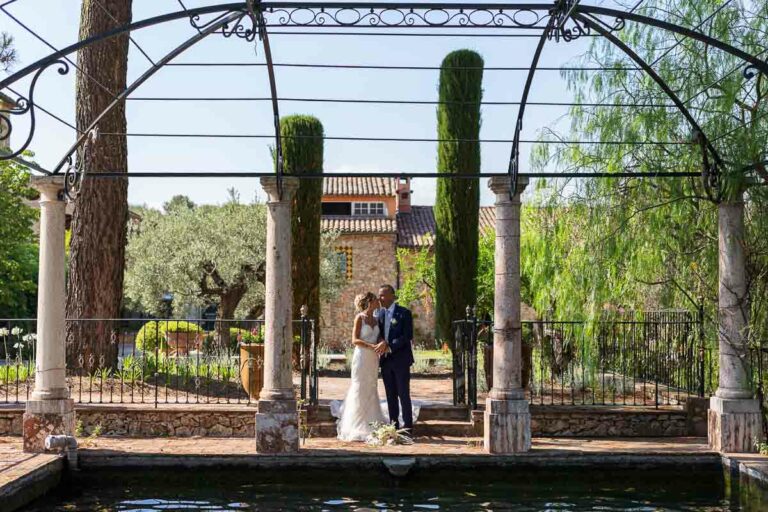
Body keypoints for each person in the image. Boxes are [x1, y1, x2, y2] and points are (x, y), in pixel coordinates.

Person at [336, 292, 387, 441]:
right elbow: (354, 340)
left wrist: (382, 341)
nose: (378, 302)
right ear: (369, 302)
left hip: (373, 358)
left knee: (371, 386)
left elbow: (379, 336)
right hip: (362, 356)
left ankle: (372, 421)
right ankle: (356, 423)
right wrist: (372, 346)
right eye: (376, 300)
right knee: (359, 386)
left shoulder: (377, 319)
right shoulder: (360, 318)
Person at [374, 284, 415, 437]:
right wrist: (380, 342)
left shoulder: (404, 313)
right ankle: (393, 426)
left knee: (403, 394)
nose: (380, 298)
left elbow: (407, 336)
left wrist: (389, 346)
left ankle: (408, 427)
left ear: (392, 296)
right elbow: (378, 333)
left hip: (401, 359)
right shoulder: (379, 314)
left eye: (383, 295)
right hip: (385, 360)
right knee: (390, 395)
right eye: (379, 295)